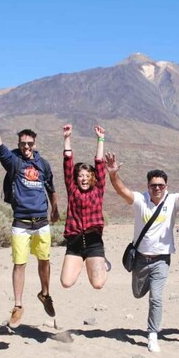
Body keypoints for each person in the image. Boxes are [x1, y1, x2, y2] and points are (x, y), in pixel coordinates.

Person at [106, 152, 179, 352]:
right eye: (153, 185)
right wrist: (113, 174)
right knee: (138, 293)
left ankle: (152, 335)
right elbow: (121, 190)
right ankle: (146, 292)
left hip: (161, 260)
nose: (157, 188)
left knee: (156, 298)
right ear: (148, 186)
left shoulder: (172, 201)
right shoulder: (140, 200)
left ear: (166, 186)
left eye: (161, 185)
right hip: (140, 259)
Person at [0, 104, 59, 328]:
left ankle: (45, 293)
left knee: (44, 260)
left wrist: (55, 208)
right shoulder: (13, 161)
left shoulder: (43, 164)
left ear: (35, 144)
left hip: (42, 222)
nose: (26, 147)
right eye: (23, 143)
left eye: (30, 143)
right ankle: (17, 306)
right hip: (21, 223)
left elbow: (52, 188)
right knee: (20, 263)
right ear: (19, 144)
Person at [60, 123, 110, 289]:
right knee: (66, 282)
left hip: (93, 241)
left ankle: (100, 262)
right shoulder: (72, 190)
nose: (84, 179)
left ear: (92, 178)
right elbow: (67, 164)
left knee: (98, 284)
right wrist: (67, 138)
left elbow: (100, 164)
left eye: (87, 175)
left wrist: (100, 139)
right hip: (74, 242)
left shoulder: (98, 190)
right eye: (80, 176)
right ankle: (83, 263)